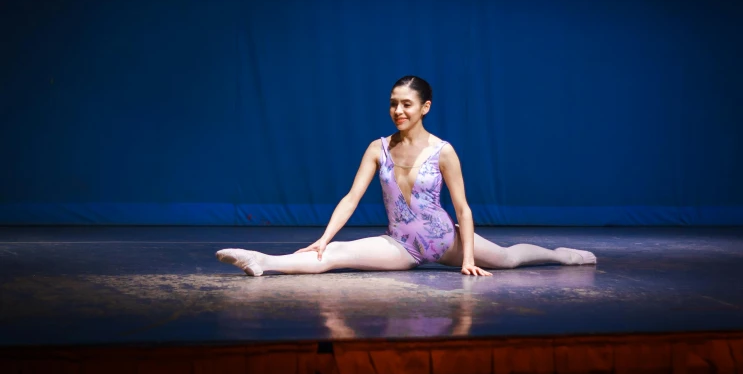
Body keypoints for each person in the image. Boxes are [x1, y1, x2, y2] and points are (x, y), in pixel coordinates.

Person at [217, 75, 596, 277]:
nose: (397, 110)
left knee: (510, 260)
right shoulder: (377, 148)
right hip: (401, 245)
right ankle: (263, 261)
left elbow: (463, 210)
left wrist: (466, 258)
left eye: (406, 104)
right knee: (333, 255)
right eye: (393, 103)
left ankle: (562, 257)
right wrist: (322, 238)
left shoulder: (443, 151)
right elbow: (351, 199)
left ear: (424, 107)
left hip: (447, 241)